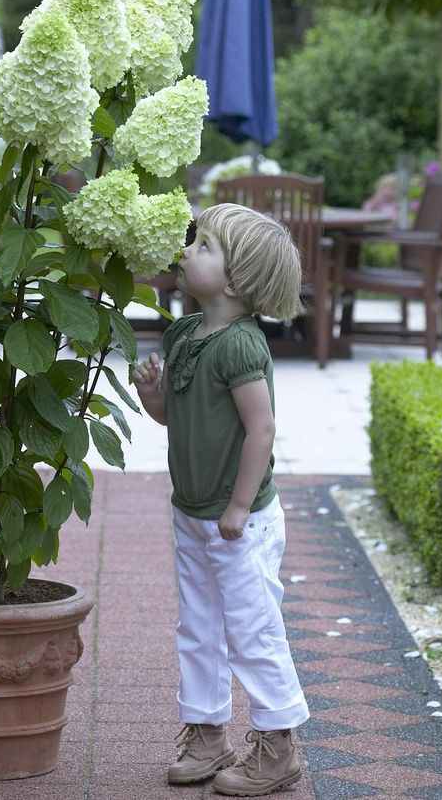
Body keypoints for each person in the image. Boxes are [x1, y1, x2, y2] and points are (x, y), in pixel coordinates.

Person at [132, 204, 310, 796]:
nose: (186, 250)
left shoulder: (240, 346)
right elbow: (172, 418)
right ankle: (207, 733)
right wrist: (154, 393)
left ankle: (279, 743)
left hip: (241, 520)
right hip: (191, 510)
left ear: (235, 283)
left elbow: (261, 431)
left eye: (203, 245)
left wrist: (238, 507)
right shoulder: (184, 333)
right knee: (200, 626)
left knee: (252, 629)